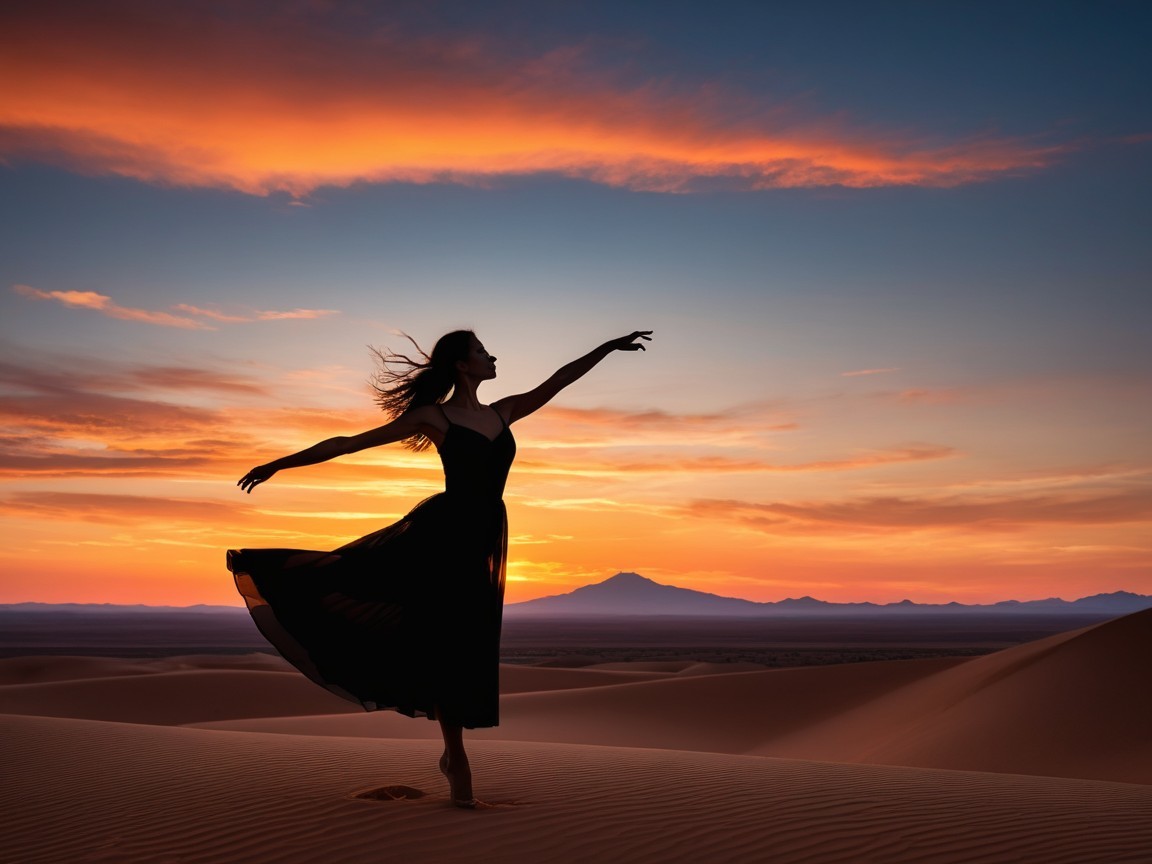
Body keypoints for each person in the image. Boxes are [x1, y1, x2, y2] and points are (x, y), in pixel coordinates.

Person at [228, 328, 651, 807]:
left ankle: (453, 758)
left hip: (482, 538)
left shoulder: (503, 411)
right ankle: (459, 769)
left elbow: (559, 380)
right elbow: (349, 443)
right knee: (433, 631)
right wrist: (278, 464)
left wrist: (607, 348)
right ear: (461, 364)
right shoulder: (434, 416)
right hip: (443, 536)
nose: (492, 356)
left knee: (463, 644)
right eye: (482, 351)